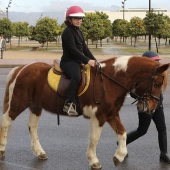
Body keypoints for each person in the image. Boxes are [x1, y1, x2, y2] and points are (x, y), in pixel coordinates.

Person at [126, 51, 170, 164]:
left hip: (157, 106)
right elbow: (131, 92)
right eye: (154, 62)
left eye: (157, 62)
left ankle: (164, 154)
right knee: (142, 131)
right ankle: (122, 143)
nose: (157, 64)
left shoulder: (159, 74)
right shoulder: (139, 76)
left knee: (162, 129)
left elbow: (159, 91)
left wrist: (158, 103)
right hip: (145, 106)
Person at [60, 6, 96, 116]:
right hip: (68, 62)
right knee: (77, 77)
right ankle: (68, 103)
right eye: (75, 18)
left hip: (78, 61)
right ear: (69, 20)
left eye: (80, 18)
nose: (78, 20)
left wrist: (94, 60)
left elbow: (84, 48)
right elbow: (73, 50)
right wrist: (87, 60)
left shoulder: (78, 32)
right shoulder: (67, 32)